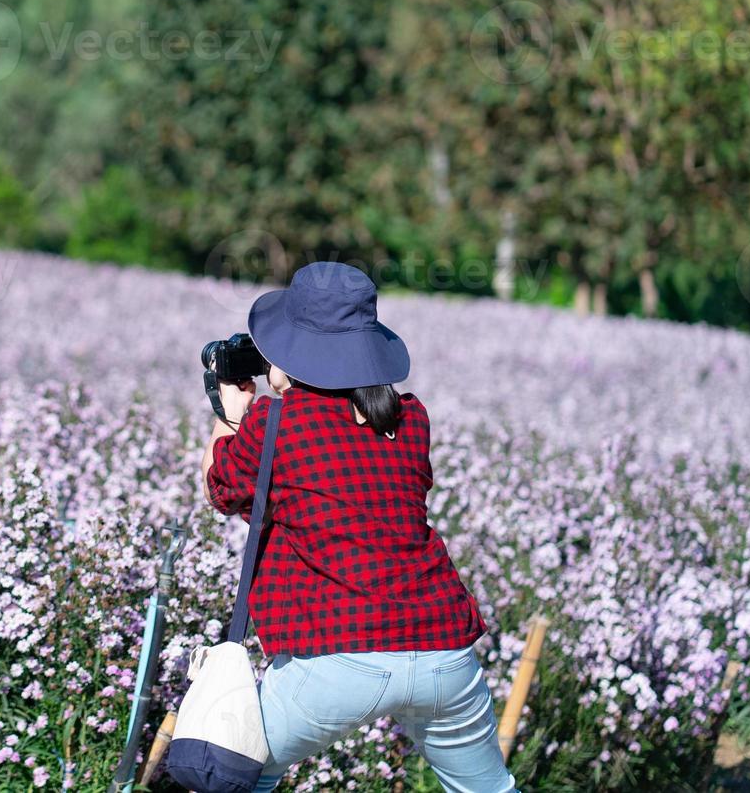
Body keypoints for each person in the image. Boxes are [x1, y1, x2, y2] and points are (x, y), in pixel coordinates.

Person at [200, 261, 516, 793]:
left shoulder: (277, 423)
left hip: (341, 655)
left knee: (235, 777)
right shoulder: (412, 418)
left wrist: (230, 413)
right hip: (444, 650)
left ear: (293, 353)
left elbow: (221, 489)